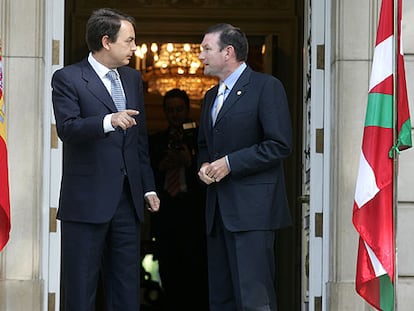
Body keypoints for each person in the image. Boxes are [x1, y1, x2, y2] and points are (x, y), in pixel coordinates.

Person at [51, 8, 160, 311]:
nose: (135, 48)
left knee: (125, 288)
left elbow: (139, 141)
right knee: (81, 288)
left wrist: (148, 187)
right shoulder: (68, 78)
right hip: (86, 203)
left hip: (127, 201)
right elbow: (67, 128)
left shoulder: (132, 78)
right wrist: (109, 121)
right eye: (130, 41)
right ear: (106, 41)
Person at [197, 23, 293, 311]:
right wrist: (203, 165)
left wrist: (229, 164)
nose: (199, 55)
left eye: (205, 49)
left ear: (228, 52)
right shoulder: (210, 98)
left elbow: (279, 145)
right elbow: (205, 144)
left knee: (254, 300)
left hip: (253, 214)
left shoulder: (266, 87)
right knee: (221, 300)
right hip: (217, 213)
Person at [148, 88, 209, 311]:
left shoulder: (199, 137)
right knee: (168, 273)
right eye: (170, 110)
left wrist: (189, 160)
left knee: (196, 275)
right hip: (167, 216)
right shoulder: (155, 141)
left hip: (194, 216)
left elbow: (209, 175)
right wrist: (162, 166)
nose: (175, 114)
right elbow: (147, 175)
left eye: (179, 109)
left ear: (187, 109)